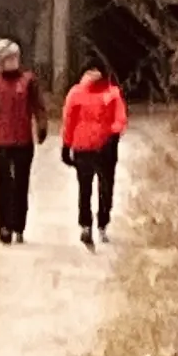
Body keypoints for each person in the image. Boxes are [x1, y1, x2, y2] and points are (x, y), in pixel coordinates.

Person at [0, 38, 44, 243]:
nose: (13, 61)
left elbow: (38, 106)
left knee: (21, 184)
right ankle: (4, 226)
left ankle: (19, 225)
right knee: (5, 184)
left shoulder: (28, 80)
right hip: (2, 140)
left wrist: (41, 126)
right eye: (8, 58)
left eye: (15, 57)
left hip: (24, 140)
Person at [59, 64, 128, 245]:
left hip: (89, 147)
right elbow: (120, 120)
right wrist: (113, 136)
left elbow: (69, 120)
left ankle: (89, 224)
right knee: (101, 188)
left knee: (87, 188)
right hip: (98, 148)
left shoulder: (79, 93)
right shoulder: (110, 93)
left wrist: (66, 145)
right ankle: (96, 225)